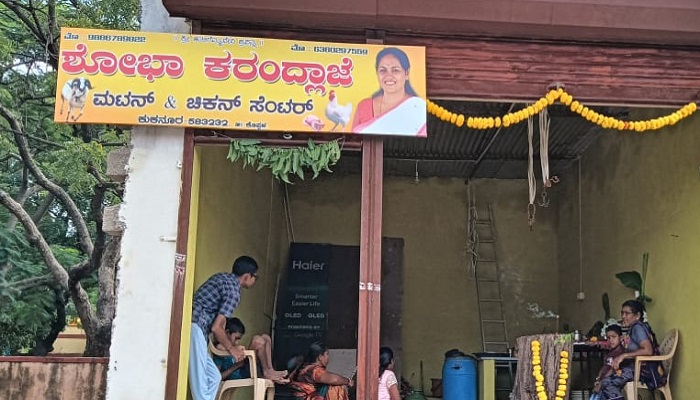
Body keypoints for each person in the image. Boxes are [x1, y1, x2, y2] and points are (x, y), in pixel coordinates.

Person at [188, 255, 259, 400]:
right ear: (246, 277)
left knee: (214, 376)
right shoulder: (234, 292)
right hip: (195, 327)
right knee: (201, 386)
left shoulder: (221, 277)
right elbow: (216, 328)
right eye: (255, 277)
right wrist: (232, 349)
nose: (255, 280)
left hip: (197, 327)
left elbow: (219, 324)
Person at [351, 47, 427, 136]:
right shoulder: (364, 106)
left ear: (406, 73)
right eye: (383, 70)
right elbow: (353, 140)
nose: (389, 76)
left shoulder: (416, 107)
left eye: (395, 70)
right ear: (377, 73)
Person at [598, 300, 665, 400]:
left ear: (637, 315)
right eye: (622, 313)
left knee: (607, 383)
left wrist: (623, 356)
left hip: (643, 371)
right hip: (636, 369)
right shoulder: (634, 328)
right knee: (605, 383)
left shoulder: (638, 328)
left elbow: (648, 350)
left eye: (627, 313)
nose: (623, 316)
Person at [212, 317, 288, 383]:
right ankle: (267, 372)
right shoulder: (220, 349)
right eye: (236, 338)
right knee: (257, 340)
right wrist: (235, 366)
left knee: (266, 338)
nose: (237, 342)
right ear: (227, 333)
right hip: (240, 373)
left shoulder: (233, 347)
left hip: (245, 367)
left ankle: (270, 369)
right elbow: (218, 377)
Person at [289, 341, 354, 400]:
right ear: (320, 357)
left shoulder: (303, 367)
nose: (328, 357)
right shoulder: (315, 370)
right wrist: (348, 381)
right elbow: (335, 380)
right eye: (327, 354)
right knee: (336, 387)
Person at [590, 325, 624, 400]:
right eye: (608, 338)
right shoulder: (610, 352)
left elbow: (612, 370)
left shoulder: (620, 352)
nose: (611, 340)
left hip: (612, 381)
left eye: (613, 337)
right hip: (603, 380)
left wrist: (601, 383)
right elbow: (605, 367)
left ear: (621, 338)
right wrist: (598, 379)